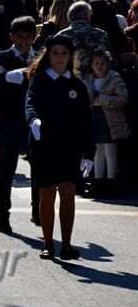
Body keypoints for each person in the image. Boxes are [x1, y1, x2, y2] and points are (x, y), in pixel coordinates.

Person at [25, 34, 94, 260]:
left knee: (67, 193)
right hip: (44, 144)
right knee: (46, 194)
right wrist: (33, 121)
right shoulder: (39, 80)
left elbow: (86, 119)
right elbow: (30, 104)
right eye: (55, 53)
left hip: (69, 147)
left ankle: (66, 245)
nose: (59, 57)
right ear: (48, 55)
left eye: (64, 53)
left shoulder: (77, 86)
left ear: (70, 57)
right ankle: (47, 244)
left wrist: (89, 152)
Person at [0, 16, 37, 233]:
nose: (24, 41)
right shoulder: (3, 55)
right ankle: (2, 216)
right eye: (19, 36)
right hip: (6, 119)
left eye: (28, 37)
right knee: (6, 169)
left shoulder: (39, 58)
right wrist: (9, 75)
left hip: (31, 122)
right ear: (11, 36)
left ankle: (37, 211)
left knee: (39, 167)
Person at [83, 49, 130, 190]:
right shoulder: (89, 79)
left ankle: (110, 181)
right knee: (97, 151)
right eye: (96, 63)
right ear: (91, 65)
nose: (99, 66)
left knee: (110, 150)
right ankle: (98, 181)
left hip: (111, 120)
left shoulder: (114, 78)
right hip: (95, 118)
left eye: (102, 63)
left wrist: (102, 99)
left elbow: (123, 98)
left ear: (108, 64)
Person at [57, 1, 110, 76]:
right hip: (96, 79)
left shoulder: (61, 35)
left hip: (69, 79)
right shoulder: (100, 34)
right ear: (86, 16)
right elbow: (109, 61)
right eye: (90, 14)